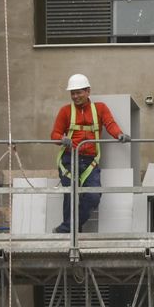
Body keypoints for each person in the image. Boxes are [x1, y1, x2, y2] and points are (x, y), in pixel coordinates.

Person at [50, 73, 129, 233]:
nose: (75, 96)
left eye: (79, 92)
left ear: (88, 91)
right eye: (73, 93)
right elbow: (54, 134)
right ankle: (71, 232)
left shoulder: (100, 108)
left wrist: (119, 134)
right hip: (69, 159)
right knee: (70, 195)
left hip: (90, 161)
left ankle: (67, 228)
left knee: (94, 196)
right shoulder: (65, 111)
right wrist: (62, 138)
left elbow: (110, 123)